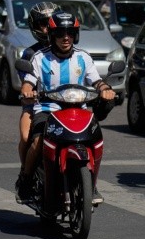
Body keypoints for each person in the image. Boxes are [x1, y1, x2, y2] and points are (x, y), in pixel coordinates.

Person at [17, 11, 116, 205]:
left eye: (70, 33)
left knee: (94, 139)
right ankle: (26, 181)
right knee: (37, 142)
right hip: (48, 109)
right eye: (61, 33)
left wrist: (106, 90)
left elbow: (96, 81)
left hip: (78, 110)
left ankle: (91, 183)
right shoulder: (39, 58)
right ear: (52, 36)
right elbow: (28, 82)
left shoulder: (83, 58)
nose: (66, 38)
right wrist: (28, 91)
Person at [16, 2, 61, 181]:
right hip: (38, 105)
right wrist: (29, 93)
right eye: (43, 23)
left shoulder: (74, 53)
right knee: (27, 138)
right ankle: (26, 175)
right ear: (35, 27)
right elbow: (27, 83)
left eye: (51, 22)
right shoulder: (30, 54)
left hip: (66, 105)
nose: (47, 27)